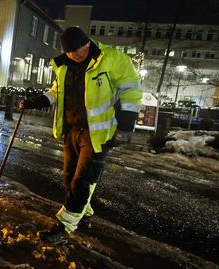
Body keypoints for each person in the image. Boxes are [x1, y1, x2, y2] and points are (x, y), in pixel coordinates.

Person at [19, 27, 142, 244]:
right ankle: (84, 215)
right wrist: (34, 102)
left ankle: (63, 227)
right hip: (71, 129)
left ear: (88, 44)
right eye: (70, 52)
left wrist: (126, 125)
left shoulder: (113, 59)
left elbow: (131, 89)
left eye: (79, 51)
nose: (75, 56)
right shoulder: (65, 66)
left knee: (83, 180)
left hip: (98, 132)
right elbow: (57, 92)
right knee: (68, 178)